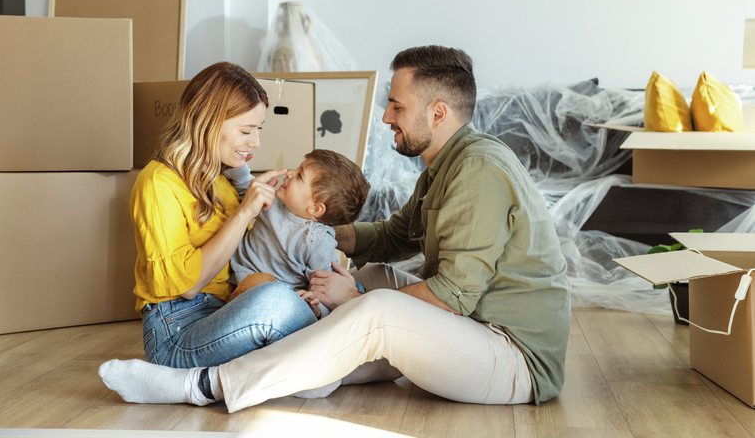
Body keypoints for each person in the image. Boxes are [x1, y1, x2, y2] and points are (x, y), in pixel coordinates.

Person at [99, 45, 571, 411]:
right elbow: (393, 236)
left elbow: (454, 296)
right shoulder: (444, 165)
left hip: (510, 353)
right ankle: (317, 366)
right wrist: (307, 226)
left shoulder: (478, 171)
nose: (385, 116)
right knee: (373, 280)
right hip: (475, 326)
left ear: (438, 112)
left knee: (373, 305)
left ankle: (202, 385)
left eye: (396, 106)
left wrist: (351, 300)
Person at [128, 62, 319, 370]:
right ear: (208, 122)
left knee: (299, 295)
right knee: (277, 302)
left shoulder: (222, 179)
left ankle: (321, 360)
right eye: (246, 131)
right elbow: (187, 288)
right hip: (176, 331)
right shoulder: (157, 183)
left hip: (225, 310)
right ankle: (331, 360)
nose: (255, 142)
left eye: (258, 130)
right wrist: (244, 212)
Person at [225, 149, 371, 320]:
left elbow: (325, 289)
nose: (289, 173)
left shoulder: (318, 242)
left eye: (300, 175)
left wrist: (316, 308)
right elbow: (246, 186)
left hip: (268, 295)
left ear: (315, 208)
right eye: (297, 168)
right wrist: (236, 162)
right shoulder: (274, 199)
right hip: (234, 275)